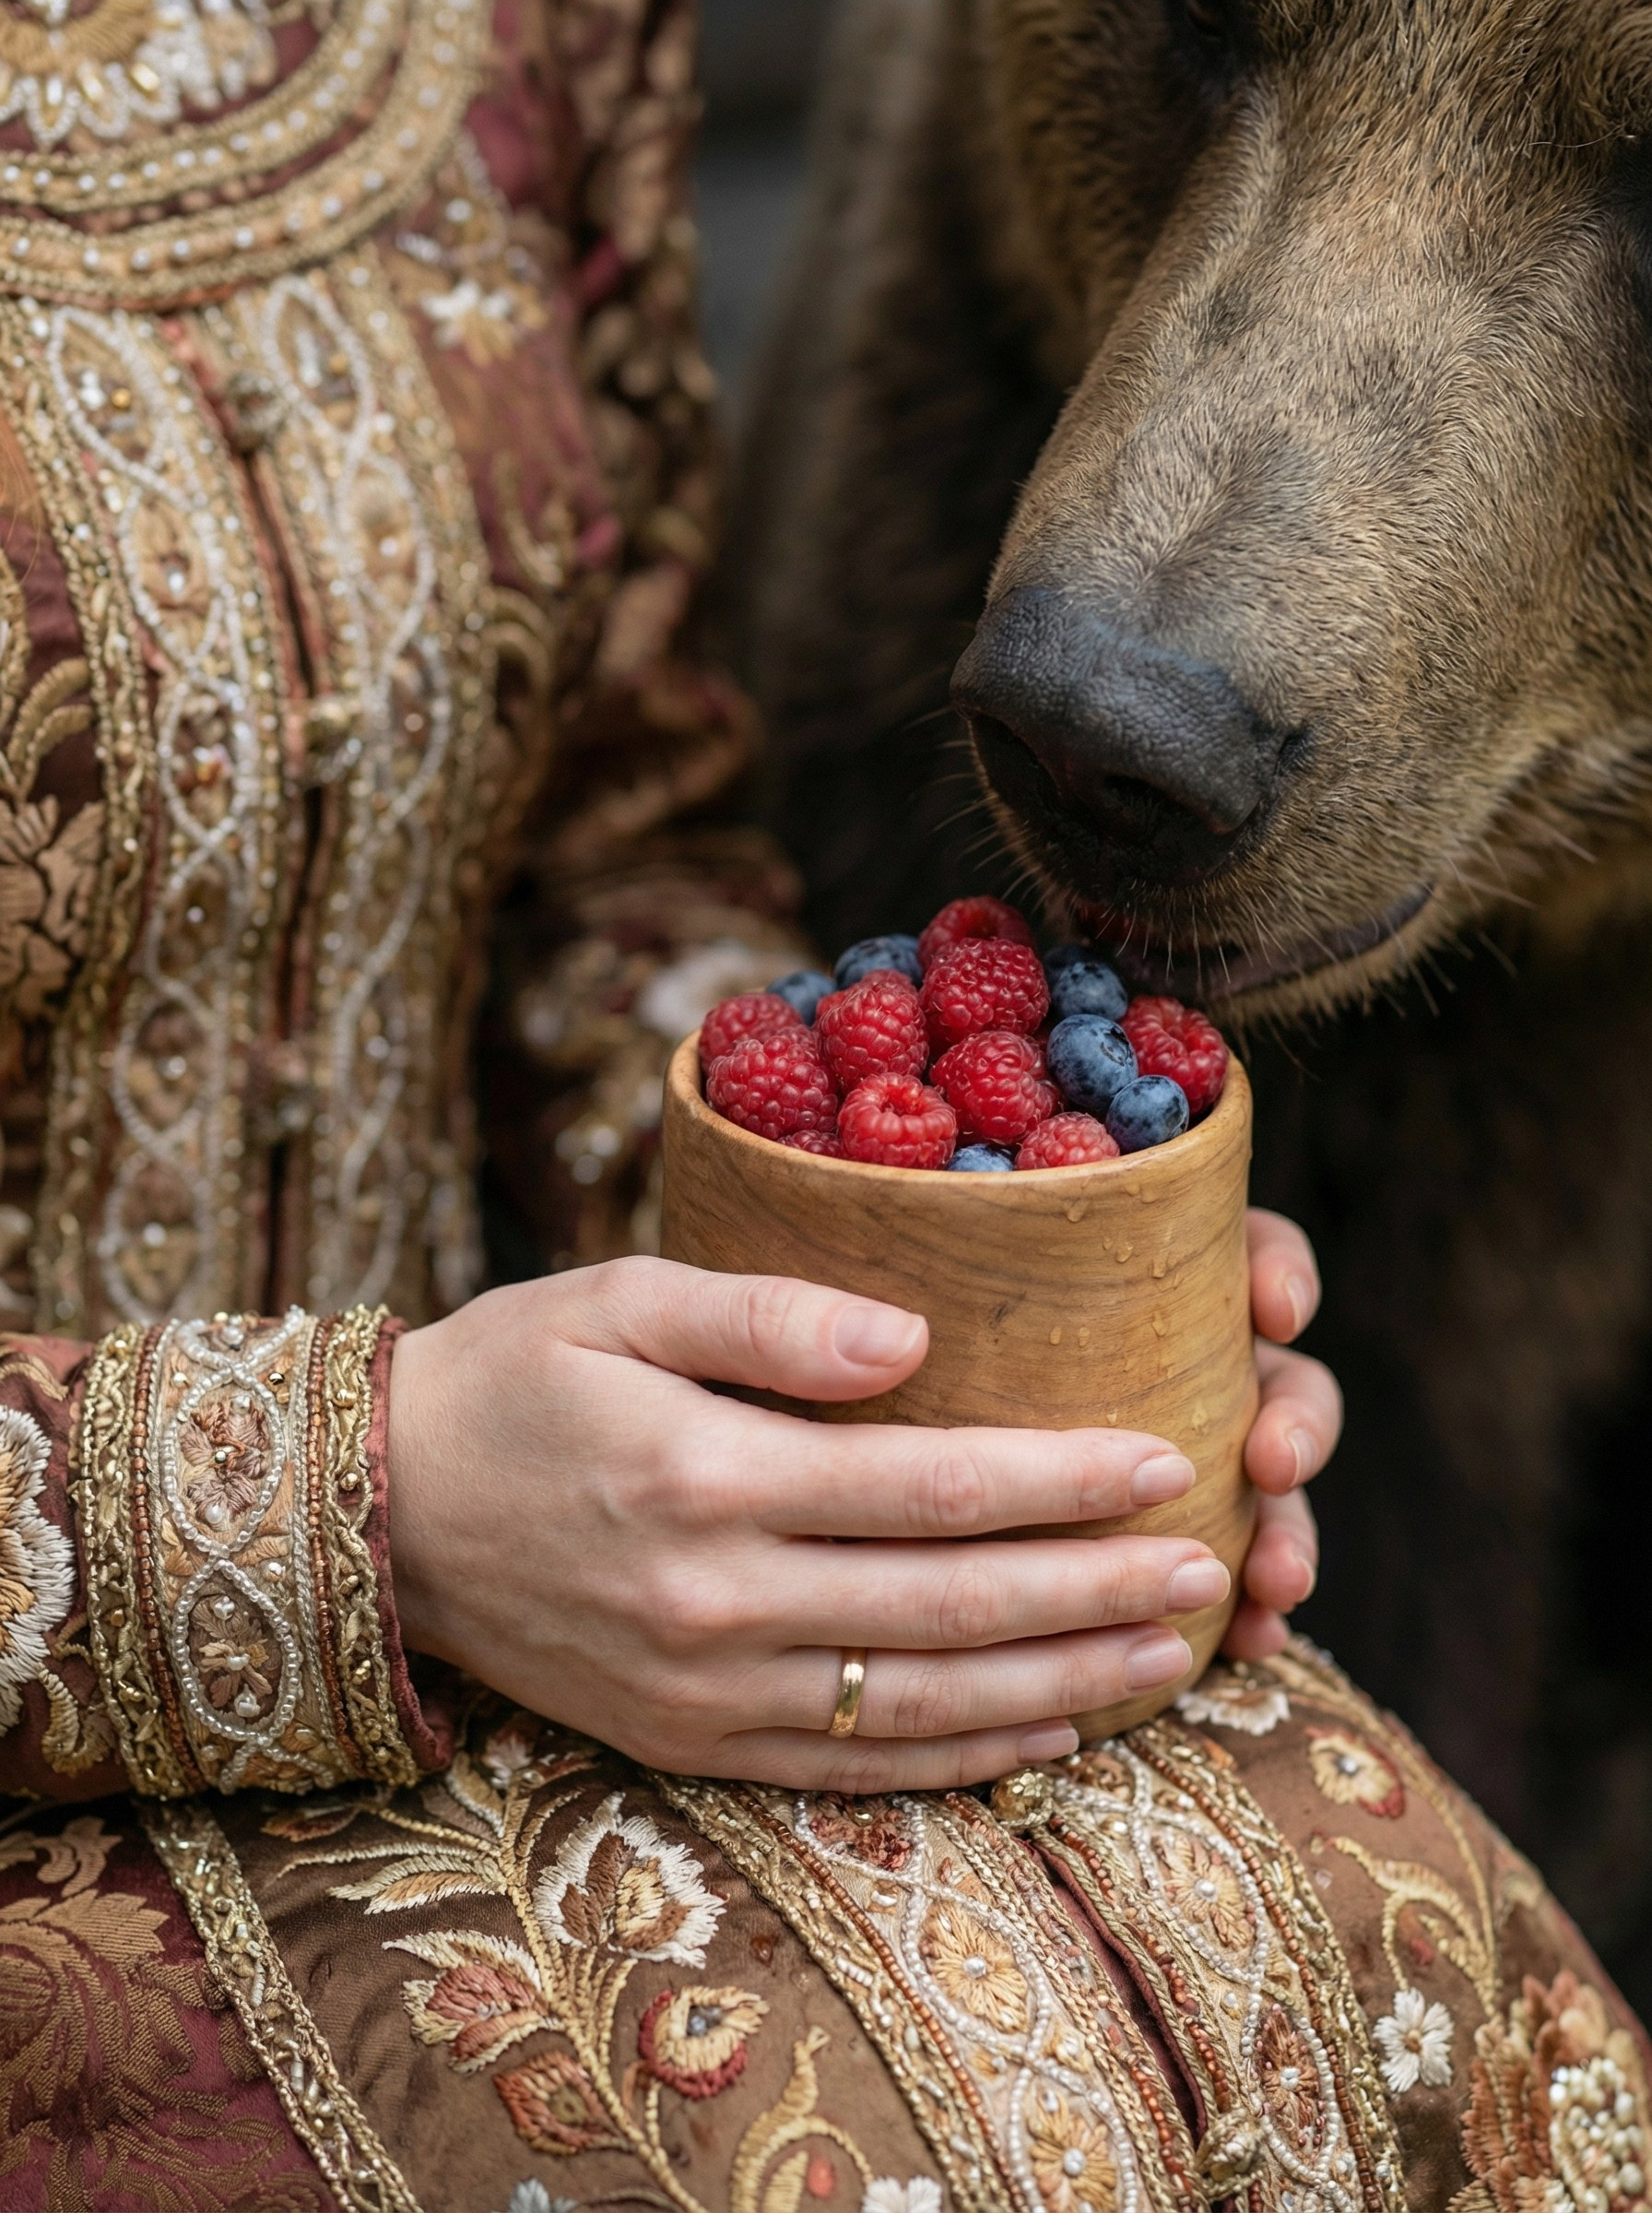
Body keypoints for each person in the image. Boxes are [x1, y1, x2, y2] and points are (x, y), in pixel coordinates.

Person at [0, 2, 1642, 2207]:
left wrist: (882, 1228)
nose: (1134, 575)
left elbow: (597, 806)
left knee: (1363, 1948)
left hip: (531, 1567)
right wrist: (368, 1511)